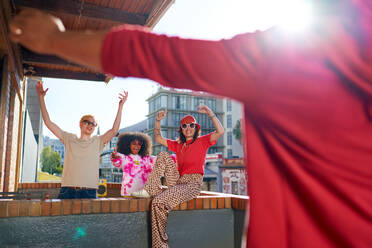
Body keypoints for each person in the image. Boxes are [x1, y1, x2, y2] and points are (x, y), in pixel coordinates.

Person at [9, 1, 372, 246]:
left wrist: (55, 39)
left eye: (188, 126)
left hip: (194, 184)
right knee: (162, 159)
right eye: (182, 127)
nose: (185, 130)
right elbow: (154, 144)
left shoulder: (282, 60)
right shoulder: (179, 144)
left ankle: (159, 238)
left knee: (160, 202)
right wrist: (160, 126)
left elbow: (160, 58)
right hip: (174, 175)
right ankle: (145, 191)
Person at [130, 105, 224, 247]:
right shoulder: (178, 144)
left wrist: (210, 113)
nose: (188, 128)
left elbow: (220, 131)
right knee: (163, 155)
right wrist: (157, 121)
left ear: (196, 128)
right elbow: (158, 138)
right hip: (178, 181)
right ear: (181, 129)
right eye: (185, 126)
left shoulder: (202, 141)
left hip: (192, 185)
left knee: (157, 202)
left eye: (191, 125)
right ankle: (150, 189)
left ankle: (161, 245)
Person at [35, 80, 128, 199]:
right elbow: (48, 123)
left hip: (89, 192)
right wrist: (41, 98)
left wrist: (121, 106)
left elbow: (114, 130)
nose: (90, 125)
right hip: (67, 190)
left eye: (93, 124)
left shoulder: (98, 141)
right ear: (80, 124)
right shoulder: (69, 138)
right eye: (87, 122)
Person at [110, 132, 155, 196]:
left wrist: (172, 157)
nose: (137, 146)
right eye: (134, 143)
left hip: (143, 195)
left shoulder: (147, 159)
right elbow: (117, 162)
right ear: (128, 144)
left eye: (139, 144)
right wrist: (114, 158)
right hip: (128, 194)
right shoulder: (124, 157)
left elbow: (159, 160)